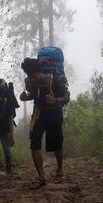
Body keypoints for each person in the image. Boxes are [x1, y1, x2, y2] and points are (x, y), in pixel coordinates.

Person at [19, 57, 70, 187]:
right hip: (39, 114)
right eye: (29, 75)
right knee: (34, 142)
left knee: (57, 144)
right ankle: (41, 177)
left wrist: (56, 101)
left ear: (39, 71)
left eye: (33, 75)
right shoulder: (30, 82)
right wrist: (25, 97)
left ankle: (59, 169)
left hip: (54, 114)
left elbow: (66, 97)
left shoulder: (53, 80)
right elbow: (33, 95)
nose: (32, 78)